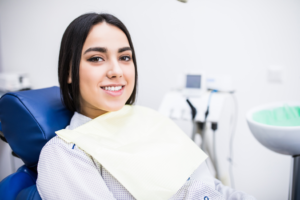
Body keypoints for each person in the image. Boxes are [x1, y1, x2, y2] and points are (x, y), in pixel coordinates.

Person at [36, 13, 255, 200]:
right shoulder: (66, 153)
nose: (116, 71)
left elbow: (211, 187)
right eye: (96, 58)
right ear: (68, 72)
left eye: (124, 57)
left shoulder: (150, 120)